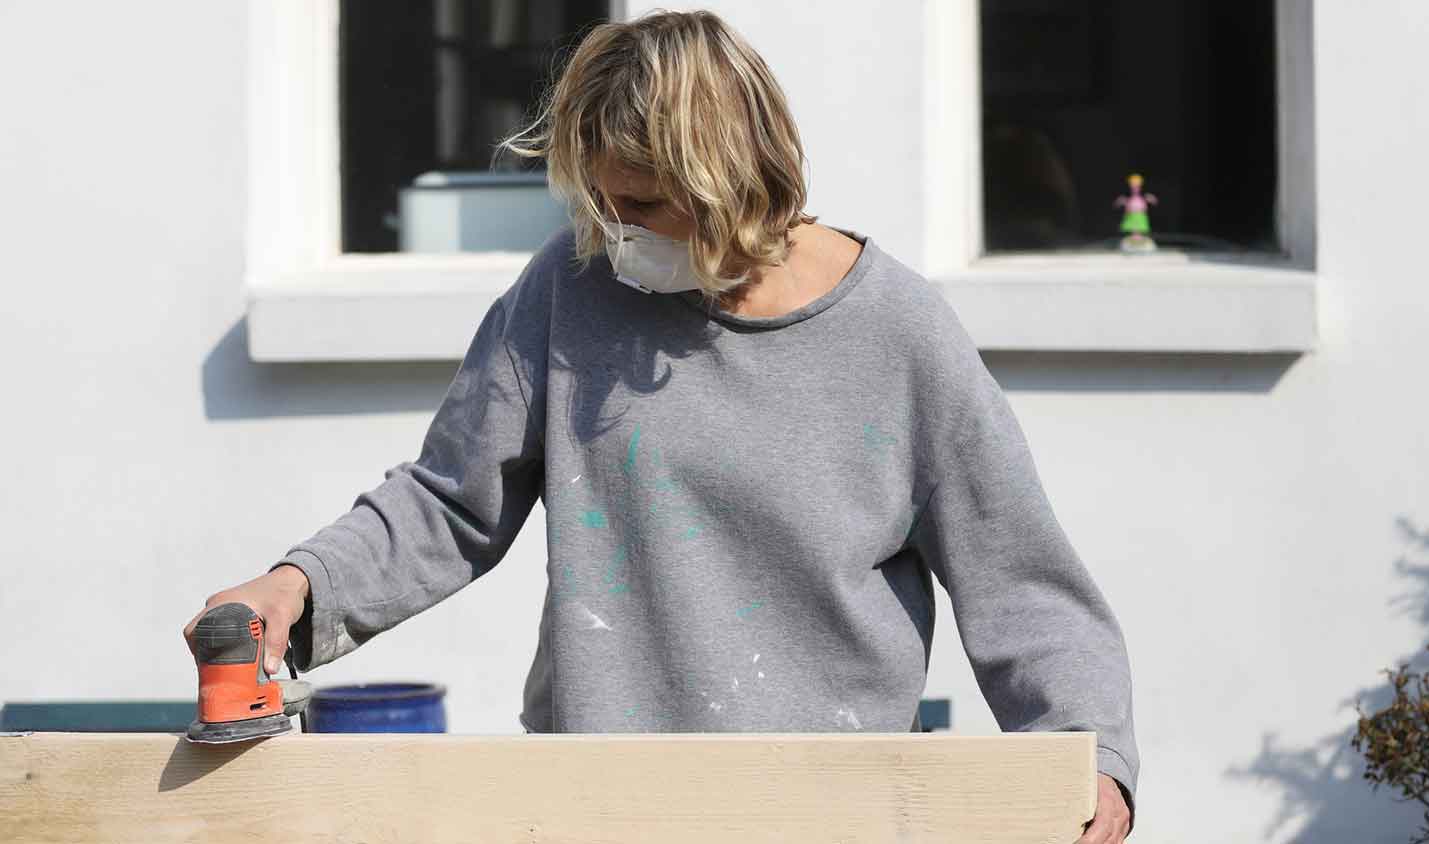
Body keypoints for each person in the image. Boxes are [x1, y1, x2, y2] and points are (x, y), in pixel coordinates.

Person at [183, 9, 1138, 841]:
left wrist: (1086, 750)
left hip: (833, 811)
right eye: (595, 199)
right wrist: (296, 585)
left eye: (638, 202)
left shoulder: (898, 333)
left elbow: (1018, 575)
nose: (611, 225)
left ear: (731, 179)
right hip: (593, 805)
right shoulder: (568, 287)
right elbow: (447, 504)